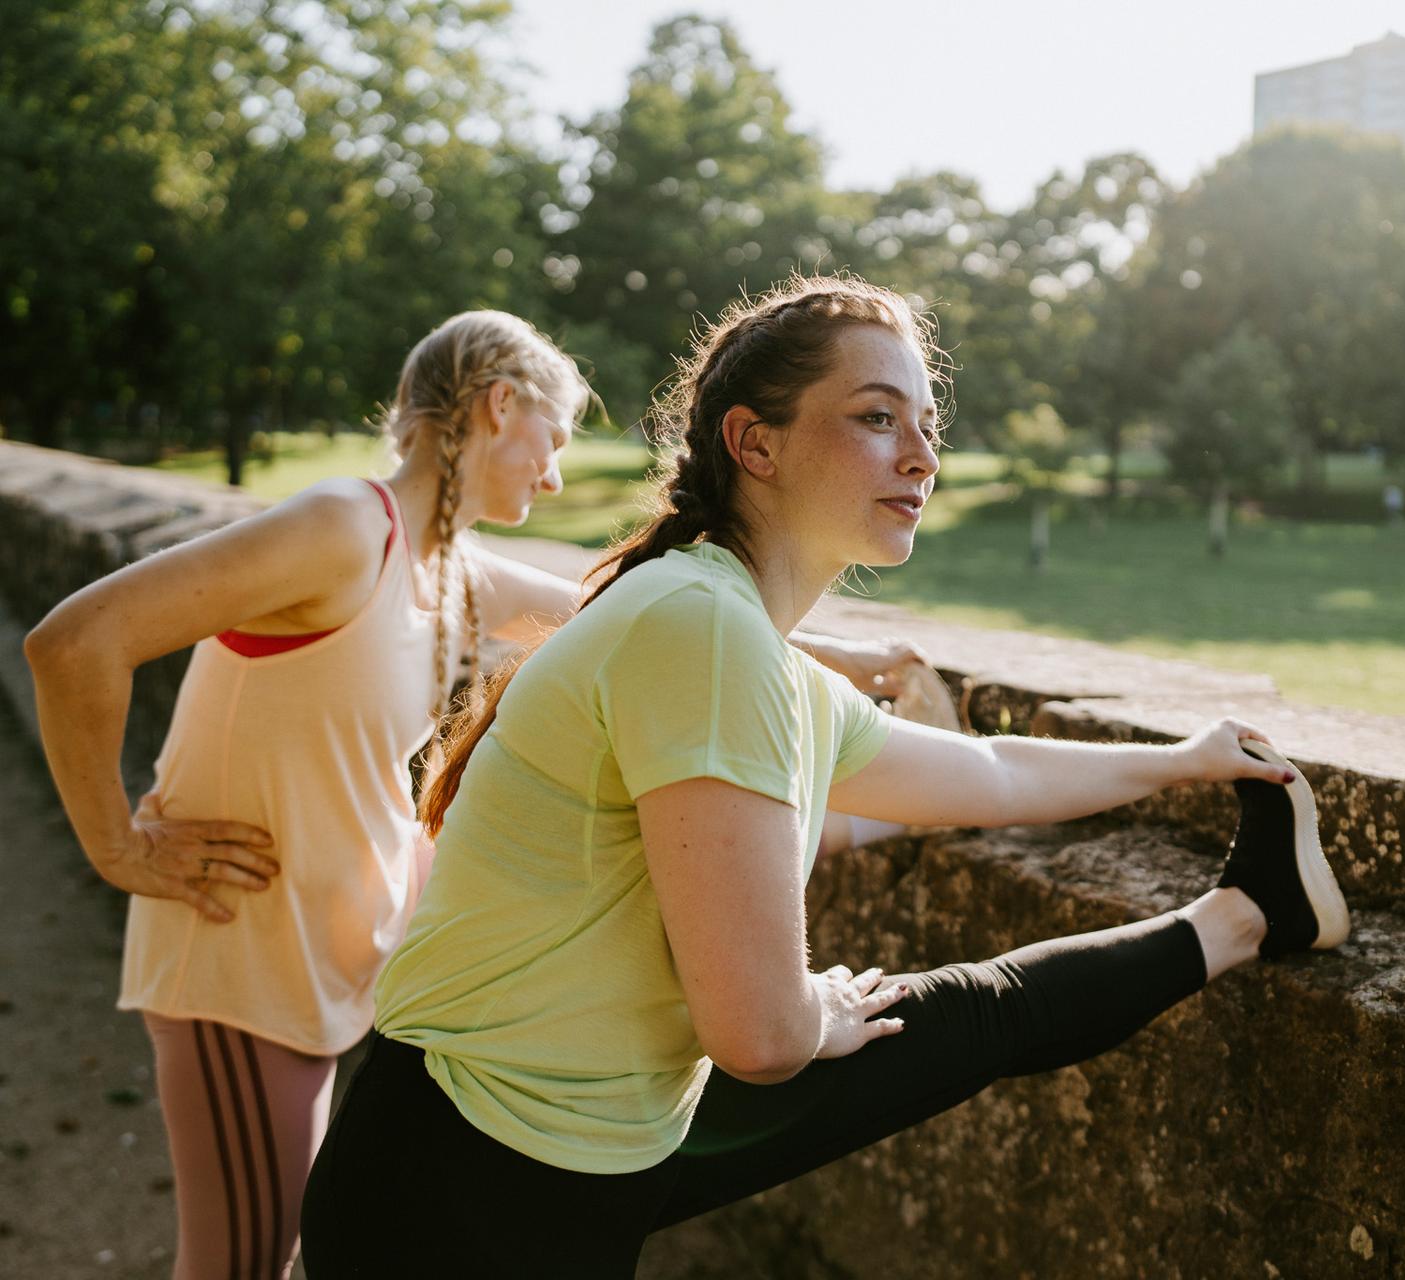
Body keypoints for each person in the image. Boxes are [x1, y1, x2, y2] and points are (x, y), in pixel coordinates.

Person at [298, 277, 1351, 1278]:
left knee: (973, 1016)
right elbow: (758, 1034)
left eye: (928, 423)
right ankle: (1251, 914)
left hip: (570, 1145)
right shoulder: (702, 630)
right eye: (878, 417)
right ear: (754, 441)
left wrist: (1182, 764)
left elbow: (986, 773)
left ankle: (1253, 911)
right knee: (957, 1018)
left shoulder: (734, 634)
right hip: (459, 1181)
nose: (923, 456)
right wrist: (811, 1011)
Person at [21, 309, 925, 1280]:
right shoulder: (342, 526)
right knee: (239, 1261)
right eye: (555, 438)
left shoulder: (440, 561)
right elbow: (73, 642)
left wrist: (846, 655)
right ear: (501, 407)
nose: (554, 475)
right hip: (238, 947)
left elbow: (625, 607)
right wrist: (116, 847)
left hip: (321, 964)